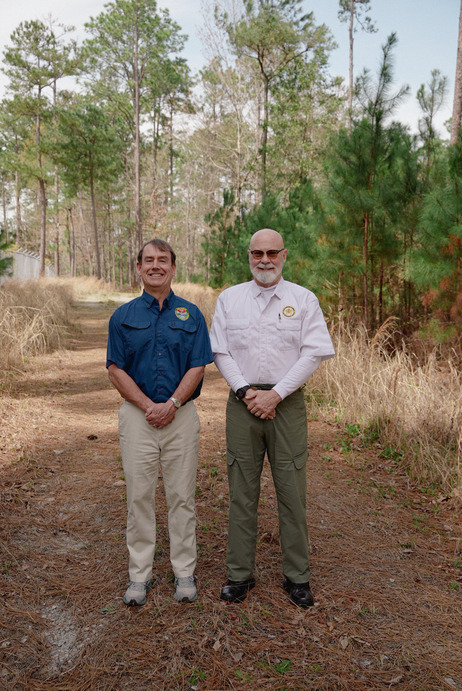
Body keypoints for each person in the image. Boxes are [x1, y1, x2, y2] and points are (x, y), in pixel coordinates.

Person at [209, 228, 335, 608]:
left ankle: (297, 577)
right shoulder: (230, 299)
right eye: (257, 253)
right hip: (242, 402)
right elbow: (221, 352)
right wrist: (247, 393)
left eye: (272, 253)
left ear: (284, 255)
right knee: (241, 491)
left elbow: (312, 353)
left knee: (292, 491)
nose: (264, 260)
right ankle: (239, 575)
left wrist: (276, 394)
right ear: (248, 256)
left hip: (287, 403)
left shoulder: (303, 299)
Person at [106, 239, 213, 606]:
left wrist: (172, 403)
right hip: (138, 418)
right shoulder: (123, 316)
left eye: (162, 260)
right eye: (148, 260)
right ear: (138, 268)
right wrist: (148, 405)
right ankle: (140, 576)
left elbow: (198, 365)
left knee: (182, 497)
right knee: (139, 497)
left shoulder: (192, 314)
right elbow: (115, 369)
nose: (155, 266)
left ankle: (184, 572)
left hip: (180, 417)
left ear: (173, 267)